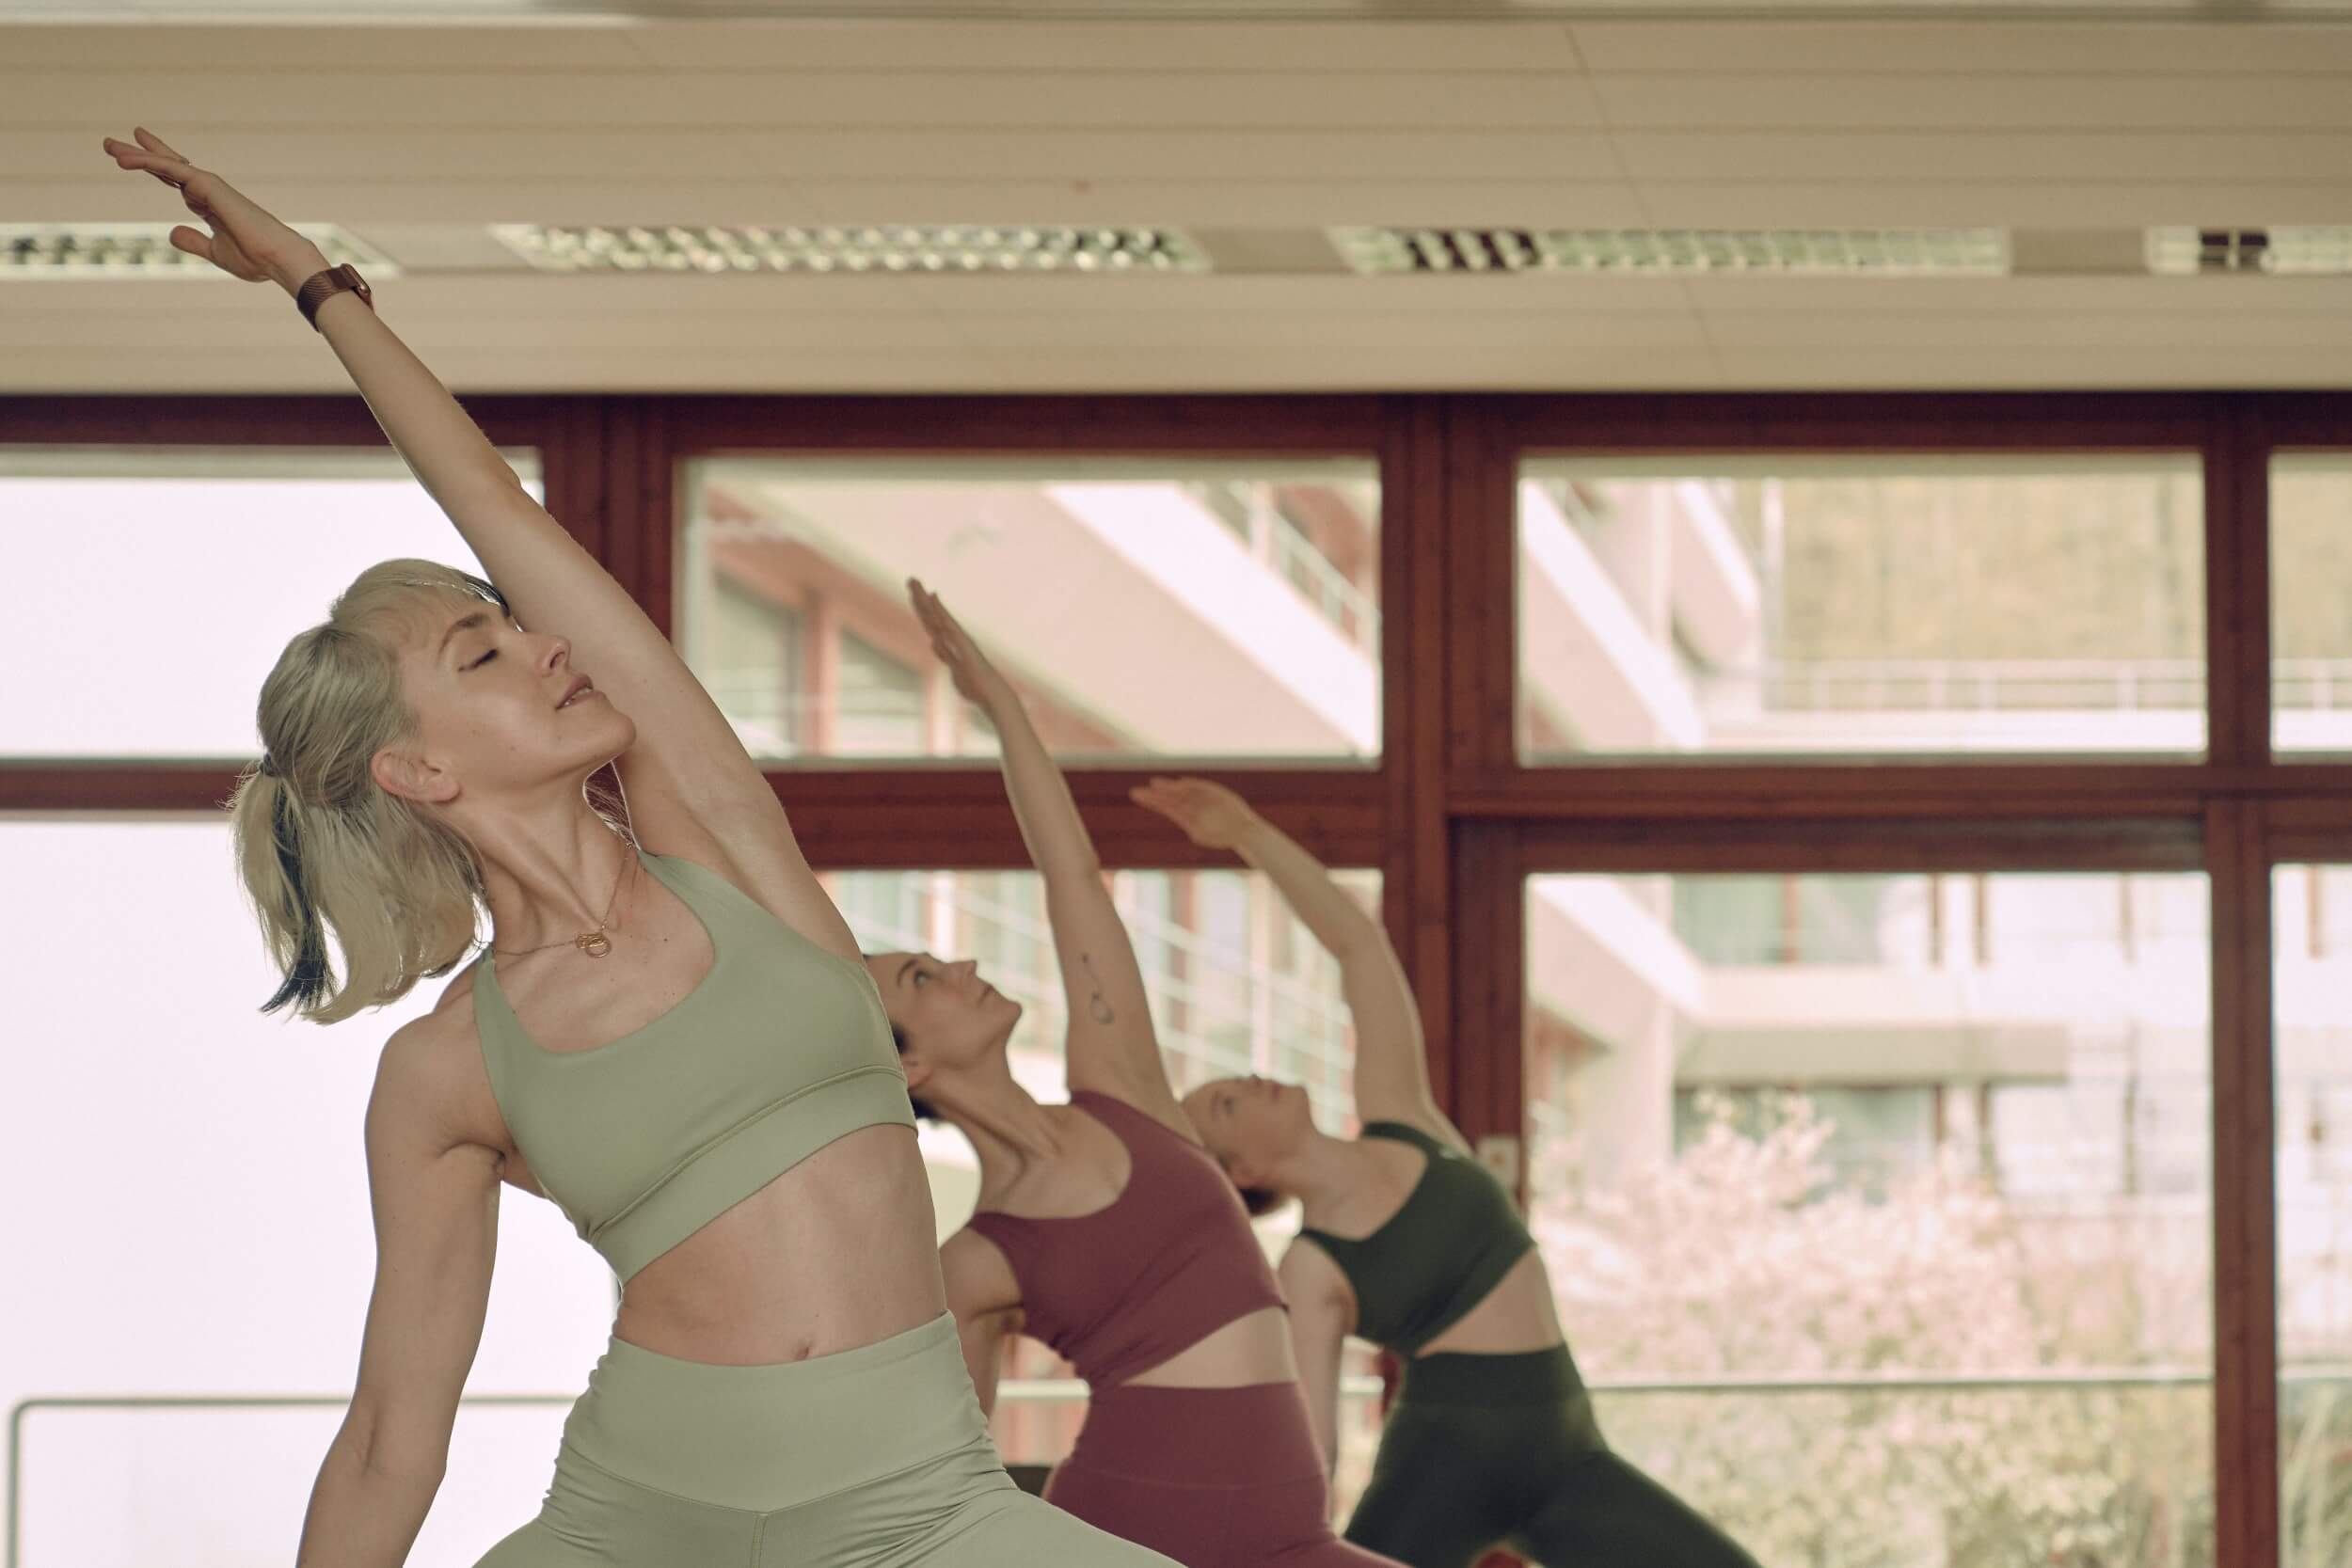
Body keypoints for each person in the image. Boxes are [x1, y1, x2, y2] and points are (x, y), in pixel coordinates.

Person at [105, 127, 1173, 1568]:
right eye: (484, 651)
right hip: (641, 1524)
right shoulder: (449, 1067)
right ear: (415, 768)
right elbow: (388, 1435)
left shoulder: (718, 847)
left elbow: (497, 503)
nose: (547, 648)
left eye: (518, 624)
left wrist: (321, 286)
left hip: (924, 1514)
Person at [866, 584, 1403, 1568]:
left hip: (1293, 1534)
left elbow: (1072, 876)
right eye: (922, 976)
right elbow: (954, 1486)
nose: (965, 965)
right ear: (908, 1060)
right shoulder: (976, 1260)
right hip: (1134, 1533)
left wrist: (1004, 710)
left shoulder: (1120, 1085)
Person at [1136, 776, 1765, 1568]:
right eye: (1226, 1103)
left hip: (1567, 1449)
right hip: (1442, 1466)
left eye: (1229, 1080)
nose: (1248, 1078)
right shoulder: (1310, 1264)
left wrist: (1249, 834)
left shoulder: (1403, 1113)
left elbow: (1360, 949)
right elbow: (1313, 1444)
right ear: (1244, 1169)